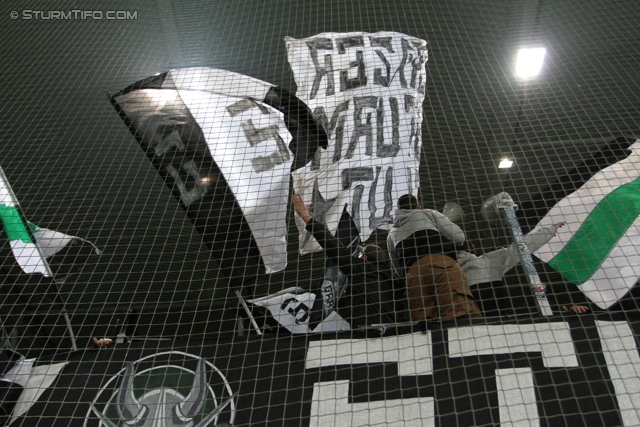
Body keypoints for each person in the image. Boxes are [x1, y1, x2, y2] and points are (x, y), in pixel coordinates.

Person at [292, 195, 402, 328]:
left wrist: (305, 215)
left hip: (369, 331)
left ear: (365, 258)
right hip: (397, 331)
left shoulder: (362, 270)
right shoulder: (394, 280)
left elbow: (333, 246)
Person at [457, 222, 589, 316]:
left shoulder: (442, 272)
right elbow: (521, 247)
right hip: (491, 319)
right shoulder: (487, 261)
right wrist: (550, 230)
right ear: (473, 250)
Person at [387, 194, 481, 322]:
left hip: (414, 277)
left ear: (398, 210)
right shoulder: (428, 213)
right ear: (419, 207)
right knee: (460, 313)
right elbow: (459, 238)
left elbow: (397, 270)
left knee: (426, 324)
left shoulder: (391, 234)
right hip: (441, 265)